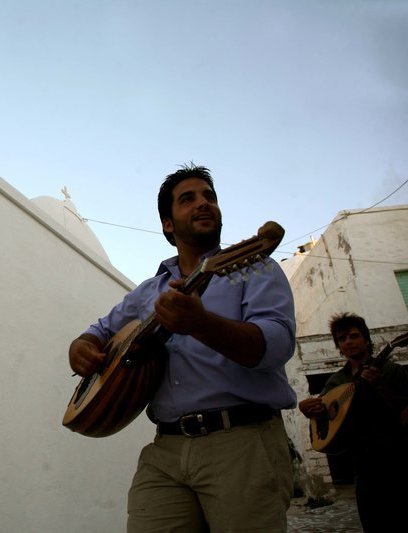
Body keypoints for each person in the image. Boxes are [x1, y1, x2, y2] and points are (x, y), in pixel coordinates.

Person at [69, 164, 297, 532]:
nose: (203, 204)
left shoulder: (256, 268)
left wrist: (201, 323)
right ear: (167, 224)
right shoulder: (148, 291)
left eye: (209, 196)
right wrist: (81, 347)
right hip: (166, 449)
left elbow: (276, 346)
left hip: (242, 442)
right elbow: (98, 330)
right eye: (187, 199)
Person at [298, 313, 408, 531]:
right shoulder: (336, 381)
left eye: (354, 336)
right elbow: (324, 412)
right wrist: (307, 409)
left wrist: (380, 387)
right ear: (338, 347)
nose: (348, 342)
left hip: (396, 459)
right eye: (342, 339)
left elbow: (407, 414)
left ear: (367, 340)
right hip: (362, 462)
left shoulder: (390, 371)